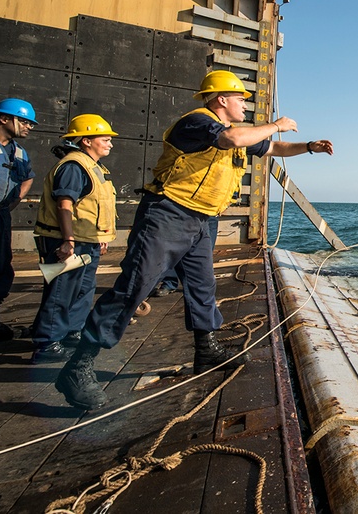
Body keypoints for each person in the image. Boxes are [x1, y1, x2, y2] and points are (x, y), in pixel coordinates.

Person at [55, 71, 334, 409]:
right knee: (136, 284)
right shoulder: (197, 123)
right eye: (240, 98)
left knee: (202, 286)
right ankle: (79, 365)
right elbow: (234, 140)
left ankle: (207, 351)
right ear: (221, 100)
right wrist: (276, 123)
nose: (245, 104)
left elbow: (272, 147)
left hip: (202, 220)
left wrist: (309, 147)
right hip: (168, 214)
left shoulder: (235, 131)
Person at [31, 115, 118, 363]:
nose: (110, 144)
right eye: (105, 139)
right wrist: (68, 240)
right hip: (69, 242)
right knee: (61, 292)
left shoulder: (93, 167)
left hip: (86, 241)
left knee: (82, 290)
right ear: (86, 140)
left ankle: (71, 333)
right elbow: (65, 204)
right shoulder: (73, 166)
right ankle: (47, 343)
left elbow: (93, 205)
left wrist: (99, 236)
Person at [0, 99, 37, 341]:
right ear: (4, 119)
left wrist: (13, 202)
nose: (29, 127)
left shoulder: (19, 152)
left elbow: (27, 177)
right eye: (24, 121)